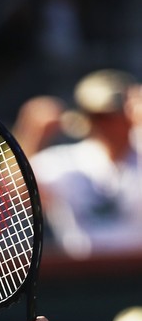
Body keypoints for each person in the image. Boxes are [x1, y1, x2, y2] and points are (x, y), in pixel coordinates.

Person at [30, 68, 142, 259]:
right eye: (99, 116)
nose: (108, 124)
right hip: (84, 273)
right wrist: (34, 134)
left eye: (117, 113)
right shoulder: (64, 161)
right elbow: (13, 194)